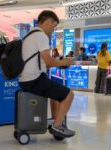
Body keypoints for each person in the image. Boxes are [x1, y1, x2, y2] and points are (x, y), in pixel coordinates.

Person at [19, 10, 75, 138]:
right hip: (34, 79)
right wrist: (63, 62)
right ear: (48, 21)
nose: (53, 30)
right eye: (54, 26)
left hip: (26, 79)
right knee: (69, 95)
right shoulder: (41, 36)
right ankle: (57, 127)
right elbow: (49, 62)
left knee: (55, 94)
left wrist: (59, 62)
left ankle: (56, 121)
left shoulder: (29, 34)